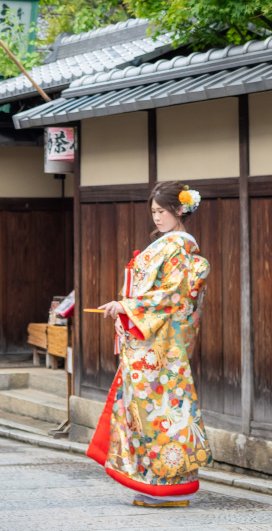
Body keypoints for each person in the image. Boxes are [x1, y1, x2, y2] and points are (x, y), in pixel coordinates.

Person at [86, 181, 212, 507]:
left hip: (162, 345)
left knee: (162, 412)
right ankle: (154, 484)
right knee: (147, 412)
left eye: (162, 211)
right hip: (148, 340)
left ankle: (167, 486)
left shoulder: (181, 247)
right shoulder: (166, 245)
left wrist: (128, 307)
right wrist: (127, 309)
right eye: (153, 212)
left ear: (180, 210)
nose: (156, 217)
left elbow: (175, 294)